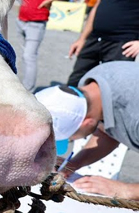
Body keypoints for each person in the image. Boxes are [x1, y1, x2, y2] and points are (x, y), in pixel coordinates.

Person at [36, 61, 139, 200]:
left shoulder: (134, 114)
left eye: (69, 138)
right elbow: (110, 131)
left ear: (87, 122)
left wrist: (126, 190)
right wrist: (74, 163)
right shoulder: (94, 83)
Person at [17, 0, 80, 92]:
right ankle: (21, 86)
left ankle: (27, 90)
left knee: (29, 56)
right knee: (23, 56)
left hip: (36, 22)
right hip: (21, 20)